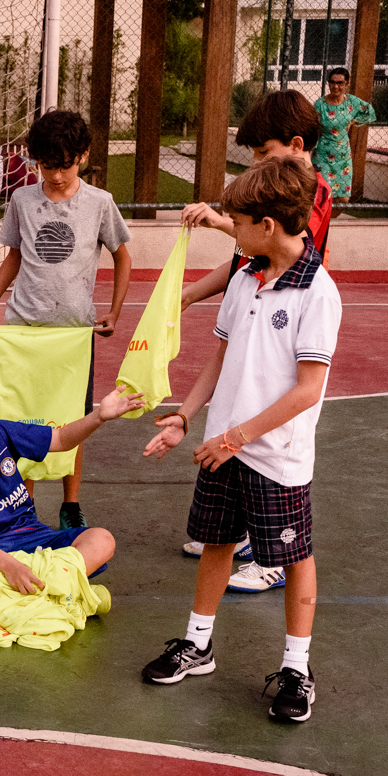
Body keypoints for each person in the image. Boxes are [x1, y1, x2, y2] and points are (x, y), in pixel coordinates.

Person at [140, 157, 342, 724]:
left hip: (274, 455)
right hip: (222, 444)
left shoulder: (317, 293)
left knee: (295, 557)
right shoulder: (245, 277)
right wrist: (184, 415)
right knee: (217, 542)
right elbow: (221, 357)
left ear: (268, 226)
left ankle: (297, 669)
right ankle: (197, 644)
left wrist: (236, 436)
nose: (234, 230)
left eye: (239, 221)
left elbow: (307, 391)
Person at [176, 89, 334, 592]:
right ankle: (239, 534)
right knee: (236, 417)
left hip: (288, 325)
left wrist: (225, 221)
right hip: (263, 307)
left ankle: (271, 556)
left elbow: (264, 244)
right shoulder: (262, 239)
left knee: (268, 438)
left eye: (264, 154)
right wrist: (189, 295)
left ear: (294, 144)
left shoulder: (310, 193)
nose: (258, 165)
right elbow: (252, 258)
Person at [0, 109, 133, 534]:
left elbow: (123, 255)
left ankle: (71, 504)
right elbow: (14, 257)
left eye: (65, 164)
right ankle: (24, 503)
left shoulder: (99, 203)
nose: (56, 175)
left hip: (74, 334)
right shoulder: (22, 200)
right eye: (46, 165)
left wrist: (114, 309)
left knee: (71, 416)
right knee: (24, 418)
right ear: (35, 161)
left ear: (83, 156)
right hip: (25, 329)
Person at [0, 374, 144, 594]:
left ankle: (8, 593)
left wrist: (99, 416)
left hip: (34, 536)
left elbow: (61, 439)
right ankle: (56, 585)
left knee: (102, 540)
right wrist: (9, 566)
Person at [312, 67, 376, 212]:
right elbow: (312, 125)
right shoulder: (320, 104)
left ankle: (329, 223)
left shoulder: (351, 102)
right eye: (332, 82)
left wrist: (354, 121)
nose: (336, 86)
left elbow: (369, 111)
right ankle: (322, 226)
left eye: (340, 83)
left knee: (343, 198)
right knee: (323, 195)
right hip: (323, 155)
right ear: (328, 83)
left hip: (343, 157)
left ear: (346, 83)